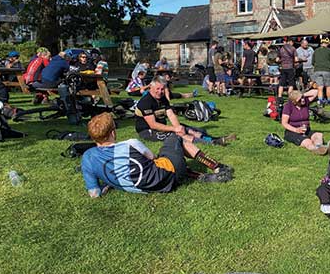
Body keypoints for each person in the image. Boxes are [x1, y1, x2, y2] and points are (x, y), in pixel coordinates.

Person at [81, 113, 230, 198]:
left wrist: (110, 182)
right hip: (167, 175)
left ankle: (191, 173)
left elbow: (94, 194)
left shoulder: (87, 158)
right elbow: (152, 157)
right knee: (174, 138)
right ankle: (217, 167)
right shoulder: (130, 144)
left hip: (147, 188)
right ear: (113, 132)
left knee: (169, 153)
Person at [134, 76, 235, 168]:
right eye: (158, 89)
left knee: (185, 129)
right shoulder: (146, 102)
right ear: (151, 87)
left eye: (162, 89)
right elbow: (153, 125)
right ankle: (210, 142)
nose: (160, 91)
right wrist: (175, 129)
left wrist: (179, 128)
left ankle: (214, 139)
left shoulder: (163, 98)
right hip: (147, 131)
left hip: (159, 127)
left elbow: (171, 114)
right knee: (179, 136)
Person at [281, 89, 330, 155]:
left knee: (318, 135)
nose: (302, 100)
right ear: (294, 102)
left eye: (302, 98)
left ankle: (320, 147)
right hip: (292, 132)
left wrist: (301, 95)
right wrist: (296, 130)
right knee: (308, 141)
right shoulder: (288, 106)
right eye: (299, 100)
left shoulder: (305, 102)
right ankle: (316, 150)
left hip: (306, 130)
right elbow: (284, 123)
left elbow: (316, 92)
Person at [312, 38, 330, 106]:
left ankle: (320, 100)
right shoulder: (329, 50)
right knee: (328, 86)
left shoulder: (316, 51)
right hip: (326, 70)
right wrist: (329, 65)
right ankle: (329, 101)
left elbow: (313, 62)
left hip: (317, 70)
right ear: (327, 43)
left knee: (320, 86)